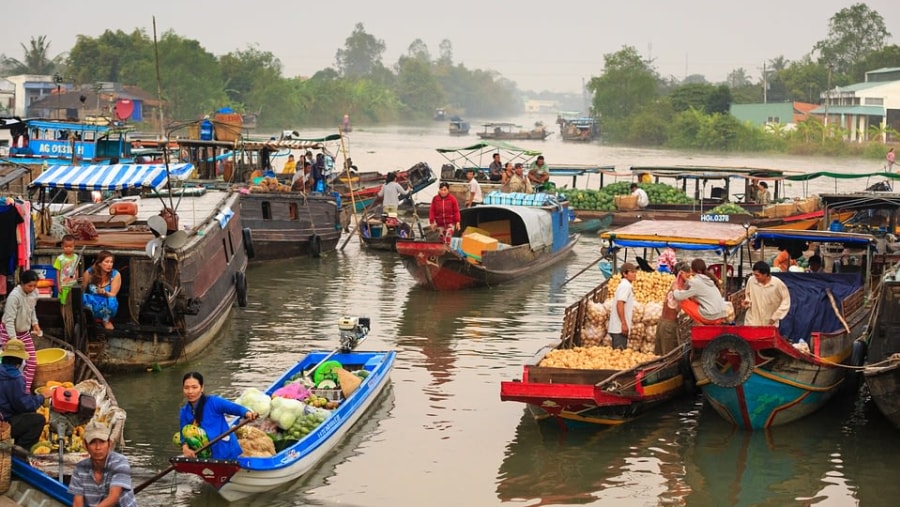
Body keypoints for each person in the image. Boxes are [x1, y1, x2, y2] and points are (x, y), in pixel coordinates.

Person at [180, 371, 258, 460]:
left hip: (225, 451)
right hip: (204, 455)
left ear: (202, 388)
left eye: (194, 387)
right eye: (186, 388)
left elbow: (233, 408)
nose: (190, 392)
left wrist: (247, 413)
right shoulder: (184, 411)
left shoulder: (213, 402)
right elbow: (183, 435)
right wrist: (185, 448)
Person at [68, 421, 137, 507]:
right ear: (85, 445)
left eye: (102, 442)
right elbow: (77, 504)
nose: (98, 447)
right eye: (93, 442)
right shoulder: (80, 469)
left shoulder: (120, 462)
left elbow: (114, 496)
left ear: (109, 443)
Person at [0, 339, 45, 449]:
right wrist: (41, 398)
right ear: (19, 362)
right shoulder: (16, 379)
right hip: (4, 422)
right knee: (38, 420)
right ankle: (19, 452)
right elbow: (25, 406)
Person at [1, 270, 41, 393]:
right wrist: (13, 339)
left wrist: (35, 323)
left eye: (35, 286)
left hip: (24, 332)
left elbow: (32, 309)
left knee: (32, 362)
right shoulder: (14, 296)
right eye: (30, 286)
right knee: (9, 364)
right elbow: (9, 320)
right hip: (8, 333)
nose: (32, 288)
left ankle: (24, 391)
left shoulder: (34, 293)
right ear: (22, 283)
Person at [673, 259, 728, 325]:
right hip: (721, 314)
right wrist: (686, 279)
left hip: (711, 316)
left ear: (692, 270)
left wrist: (675, 289)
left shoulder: (696, 282)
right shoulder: (708, 279)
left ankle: (701, 324)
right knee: (693, 299)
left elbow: (678, 296)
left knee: (683, 301)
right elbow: (695, 284)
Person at [742, 261, 791, 327]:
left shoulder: (777, 284)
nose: (755, 277)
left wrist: (775, 316)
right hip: (752, 320)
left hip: (770, 322)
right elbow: (748, 295)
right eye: (754, 275)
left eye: (757, 275)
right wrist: (747, 302)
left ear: (765, 274)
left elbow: (786, 301)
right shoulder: (751, 281)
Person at [656, 261, 690, 355]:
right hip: (669, 326)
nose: (689, 277)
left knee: (662, 355)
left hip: (663, 323)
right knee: (669, 356)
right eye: (688, 274)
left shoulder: (675, 284)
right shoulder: (677, 288)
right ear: (682, 274)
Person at [82, 251, 121, 330]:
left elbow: (113, 294)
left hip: (106, 303)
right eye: (106, 262)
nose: (109, 265)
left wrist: (104, 292)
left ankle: (106, 320)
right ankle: (88, 319)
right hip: (92, 303)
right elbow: (82, 289)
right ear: (99, 263)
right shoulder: (89, 273)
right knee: (82, 297)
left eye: (111, 262)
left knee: (112, 301)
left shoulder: (115, 274)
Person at [608, 262, 637, 350]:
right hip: (619, 328)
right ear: (625, 274)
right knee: (618, 354)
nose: (635, 274)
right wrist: (623, 324)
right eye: (632, 272)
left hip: (619, 328)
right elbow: (620, 303)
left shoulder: (626, 285)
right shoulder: (625, 286)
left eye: (635, 272)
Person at [54, 234, 80, 305]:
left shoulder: (76, 257)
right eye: (66, 246)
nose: (68, 248)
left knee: (72, 304)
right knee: (63, 304)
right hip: (63, 286)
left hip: (73, 286)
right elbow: (58, 272)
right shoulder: (59, 258)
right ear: (62, 246)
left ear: (74, 246)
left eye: (70, 246)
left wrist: (77, 278)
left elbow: (76, 268)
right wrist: (58, 285)